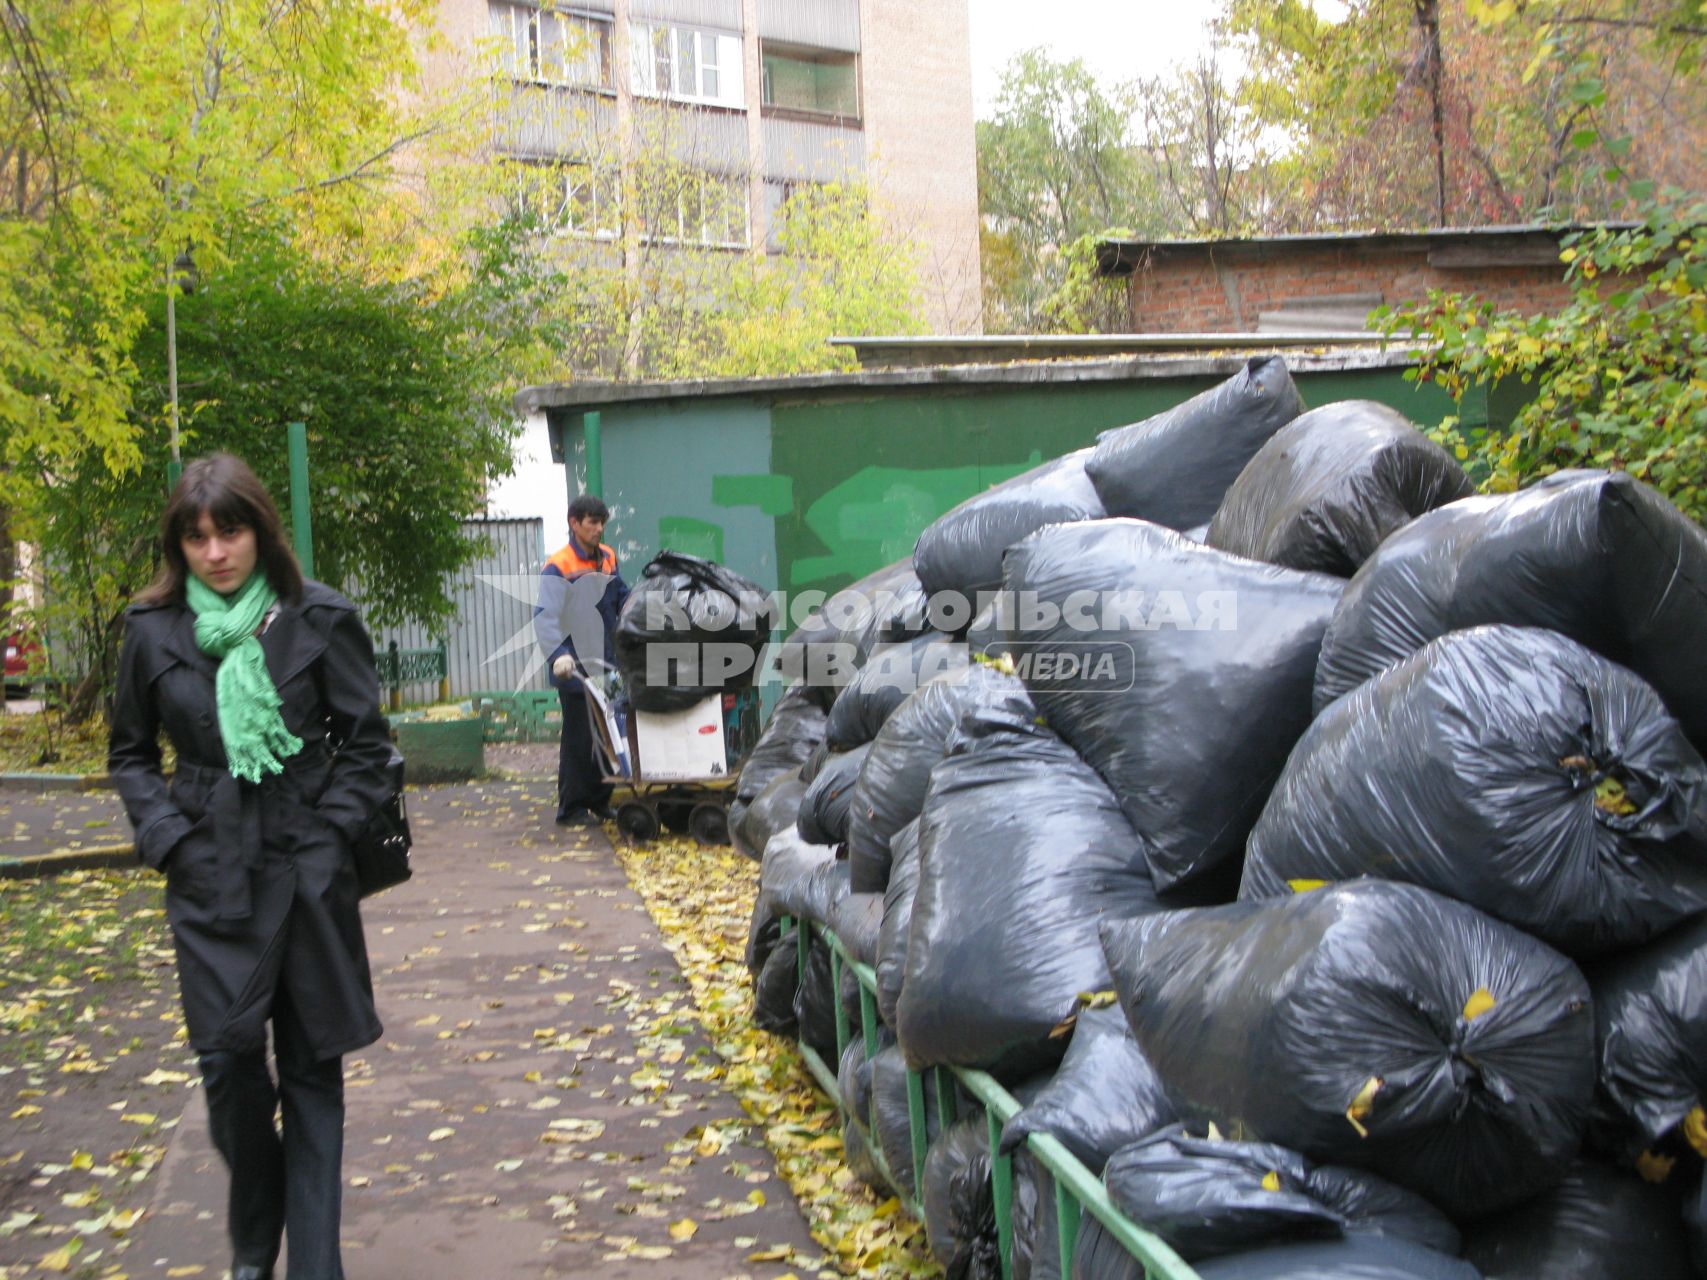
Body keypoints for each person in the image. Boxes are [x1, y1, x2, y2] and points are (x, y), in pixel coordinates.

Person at [108, 453, 394, 1280]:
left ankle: (313, 1265)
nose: (215, 551)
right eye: (196, 536)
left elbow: (368, 751)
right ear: (179, 544)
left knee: (311, 1075)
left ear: (259, 532)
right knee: (227, 1066)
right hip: (209, 871)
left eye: (229, 531)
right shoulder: (152, 629)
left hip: (306, 866)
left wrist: (329, 838)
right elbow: (129, 755)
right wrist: (168, 836)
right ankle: (254, 1224)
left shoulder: (320, 617)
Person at [534, 494, 629, 827]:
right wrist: (558, 656)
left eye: (602, 522)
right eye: (592, 522)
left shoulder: (607, 558)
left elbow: (620, 596)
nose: (598, 528)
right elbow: (545, 617)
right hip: (573, 664)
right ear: (574, 524)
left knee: (607, 737)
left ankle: (599, 801)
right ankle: (571, 808)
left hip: (605, 660)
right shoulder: (559, 565)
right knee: (579, 738)